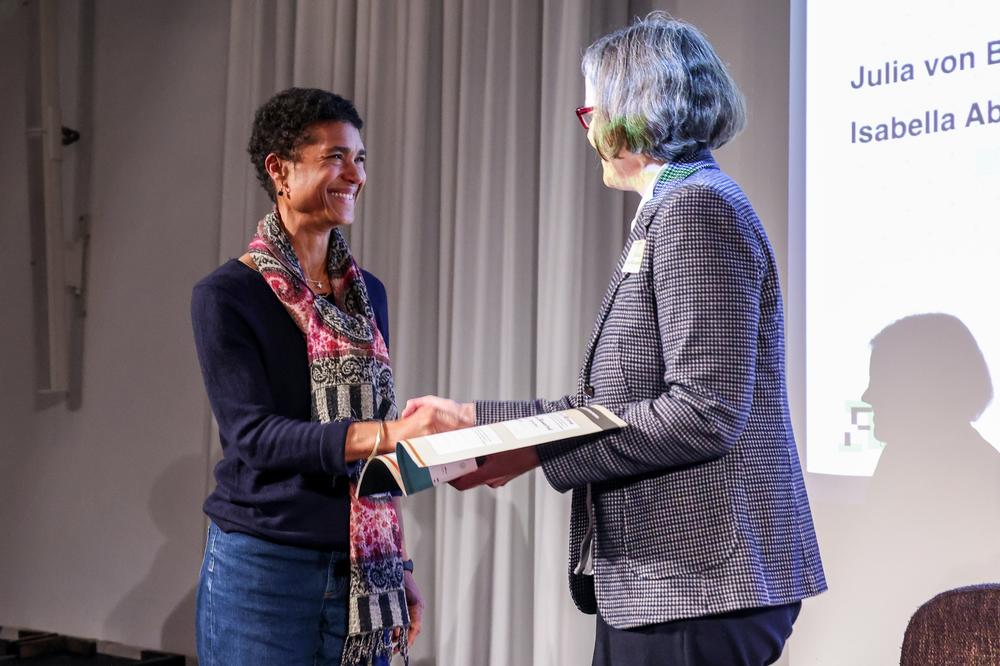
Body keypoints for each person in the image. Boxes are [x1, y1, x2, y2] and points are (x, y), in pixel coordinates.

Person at [404, 14, 827, 666]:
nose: (590, 133)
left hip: (696, 585)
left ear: (631, 115)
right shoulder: (673, 208)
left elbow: (703, 413)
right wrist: (484, 426)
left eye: (590, 112)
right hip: (667, 587)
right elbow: (623, 398)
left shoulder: (695, 209)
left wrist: (532, 449)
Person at [191, 88, 446, 665]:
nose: (353, 174)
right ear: (279, 170)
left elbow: (380, 431)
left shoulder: (368, 293)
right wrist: (383, 435)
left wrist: (395, 560)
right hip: (263, 570)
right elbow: (253, 438)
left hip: (363, 563)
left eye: (359, 159)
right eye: (335, 157)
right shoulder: (227, 295)